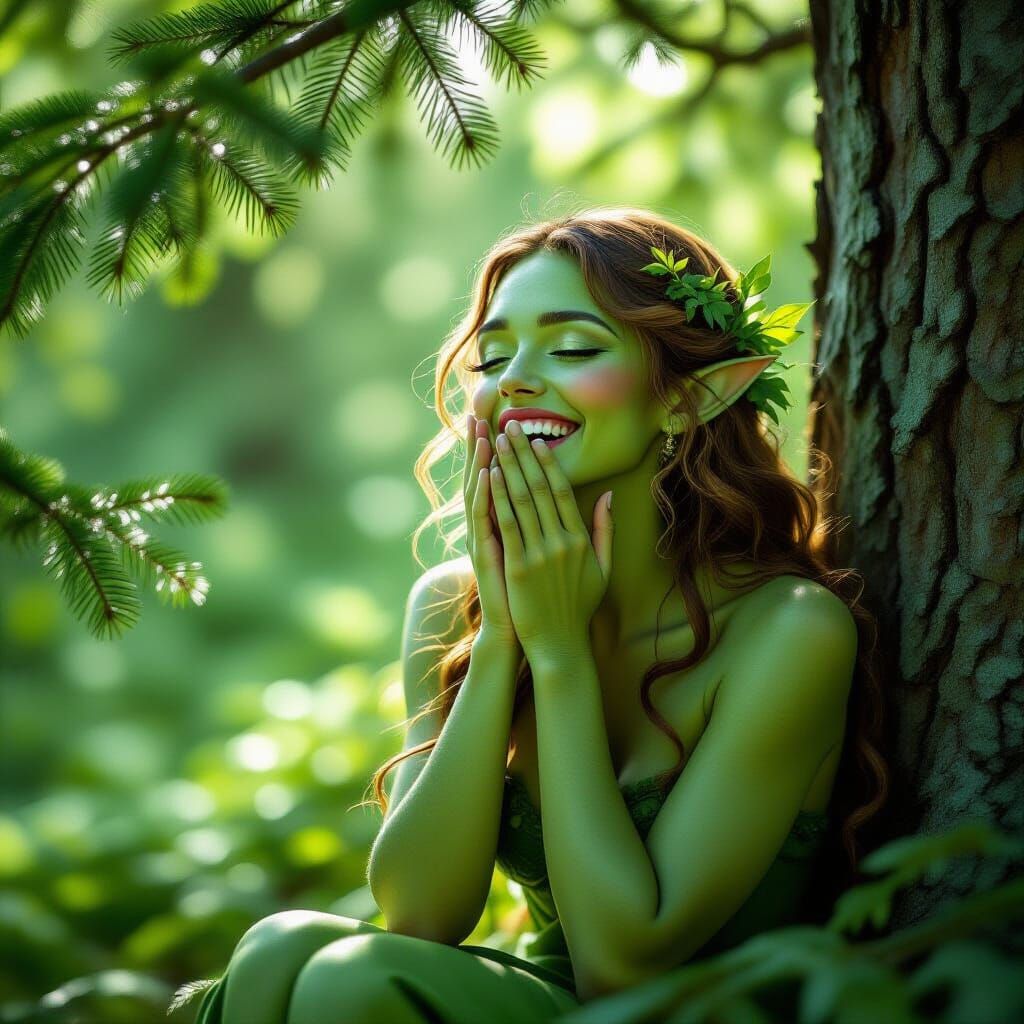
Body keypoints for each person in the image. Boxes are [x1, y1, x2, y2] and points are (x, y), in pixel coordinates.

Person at [170, 207, 887, 1023]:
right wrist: (503, 637)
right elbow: (419, 912)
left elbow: (624, 966)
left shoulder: (788, 630)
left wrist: (560, 654)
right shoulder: (451, 603)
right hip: (539, 995)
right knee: (278, 945)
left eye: (573, 349)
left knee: (351, 982)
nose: (512, 380)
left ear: (690, 398)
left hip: (696, 1009)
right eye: (493, 355)